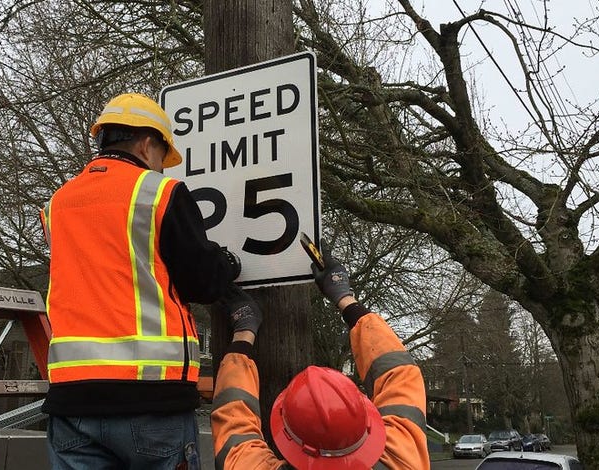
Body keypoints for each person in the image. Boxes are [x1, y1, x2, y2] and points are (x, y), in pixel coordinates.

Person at [40, 92, 240, 469]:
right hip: (152, 405)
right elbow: (204, 283)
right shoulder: (159, 193)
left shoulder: (56, 204)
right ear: (148, 145)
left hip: (71, 404)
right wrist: (226, 263)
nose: (162, 168)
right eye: (163, 159)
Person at [210, 245, 430, 469]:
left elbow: (233, 421)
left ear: (284, 433)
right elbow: (399, 373)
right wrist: (345, 298)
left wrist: (244, 332)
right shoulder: (401, 461)